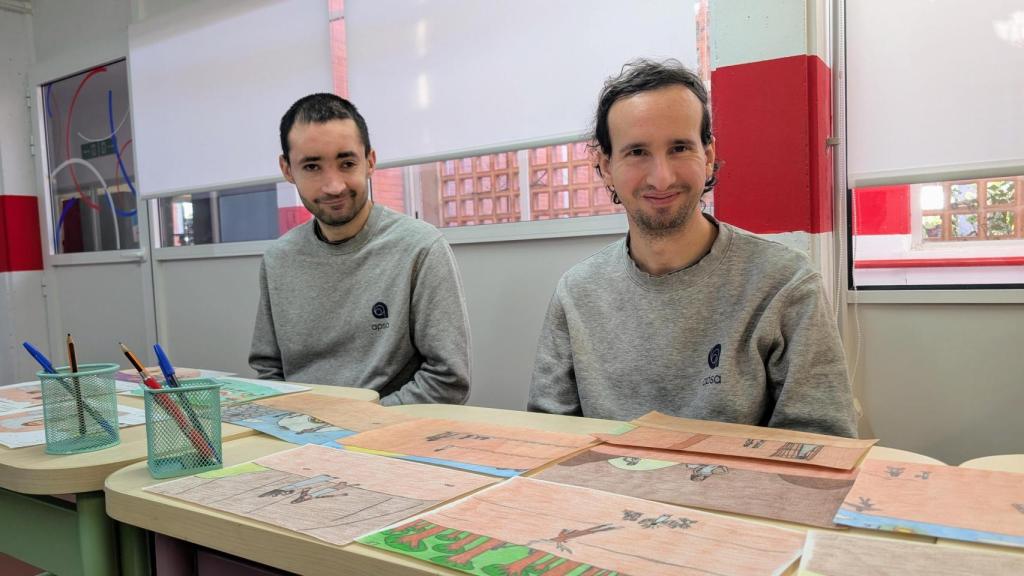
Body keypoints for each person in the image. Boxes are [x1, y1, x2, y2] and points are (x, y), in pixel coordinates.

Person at [528, 59, 856, 437]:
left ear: (709, 155)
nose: (661, 177)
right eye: (637, 152)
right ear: (605, 166)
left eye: (680, 148)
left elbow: (821, 445)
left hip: (735, 496)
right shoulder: (577, 293)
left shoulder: (785, 285)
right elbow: (549, 437)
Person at [249, 93, 471, 406]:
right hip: (298, 433)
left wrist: (356, 423)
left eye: (347, 163)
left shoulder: (420, 248)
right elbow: (269, 370)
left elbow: (447, 379)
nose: (333, 185)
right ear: (287, 169)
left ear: (370, 161)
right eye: (312, 166)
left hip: (389, 436)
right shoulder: (278, 259)